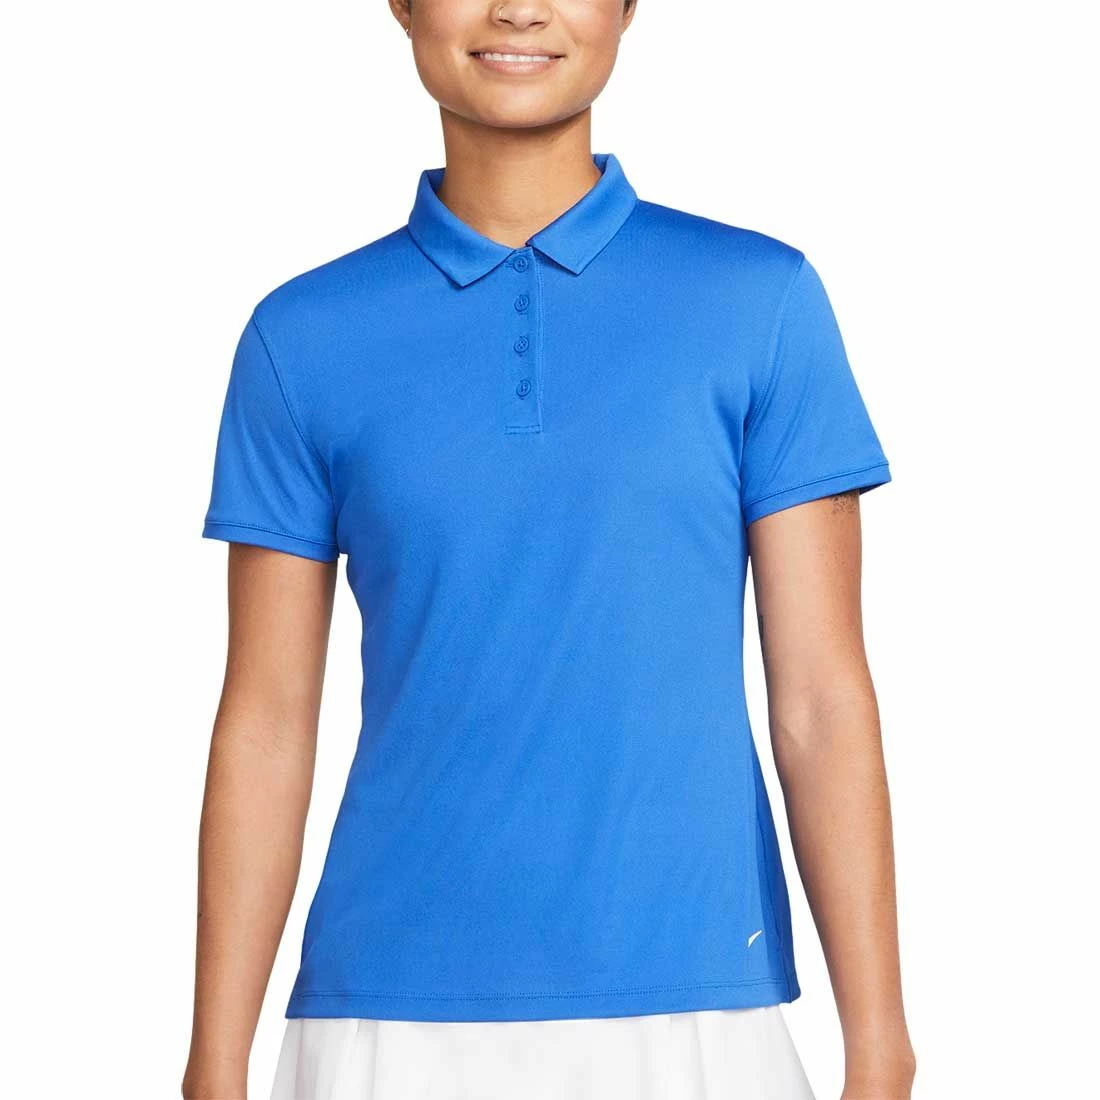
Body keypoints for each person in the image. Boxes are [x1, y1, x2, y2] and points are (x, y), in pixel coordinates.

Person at [182, 1, 917, 1097]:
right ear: (401, 4)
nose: (518, 8)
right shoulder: (303, 336)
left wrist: (881, 1047)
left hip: (696, 1012)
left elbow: (819, 698)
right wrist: (214, 1062)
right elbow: (267, 722)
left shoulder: (757, 303)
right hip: (384, 1020)